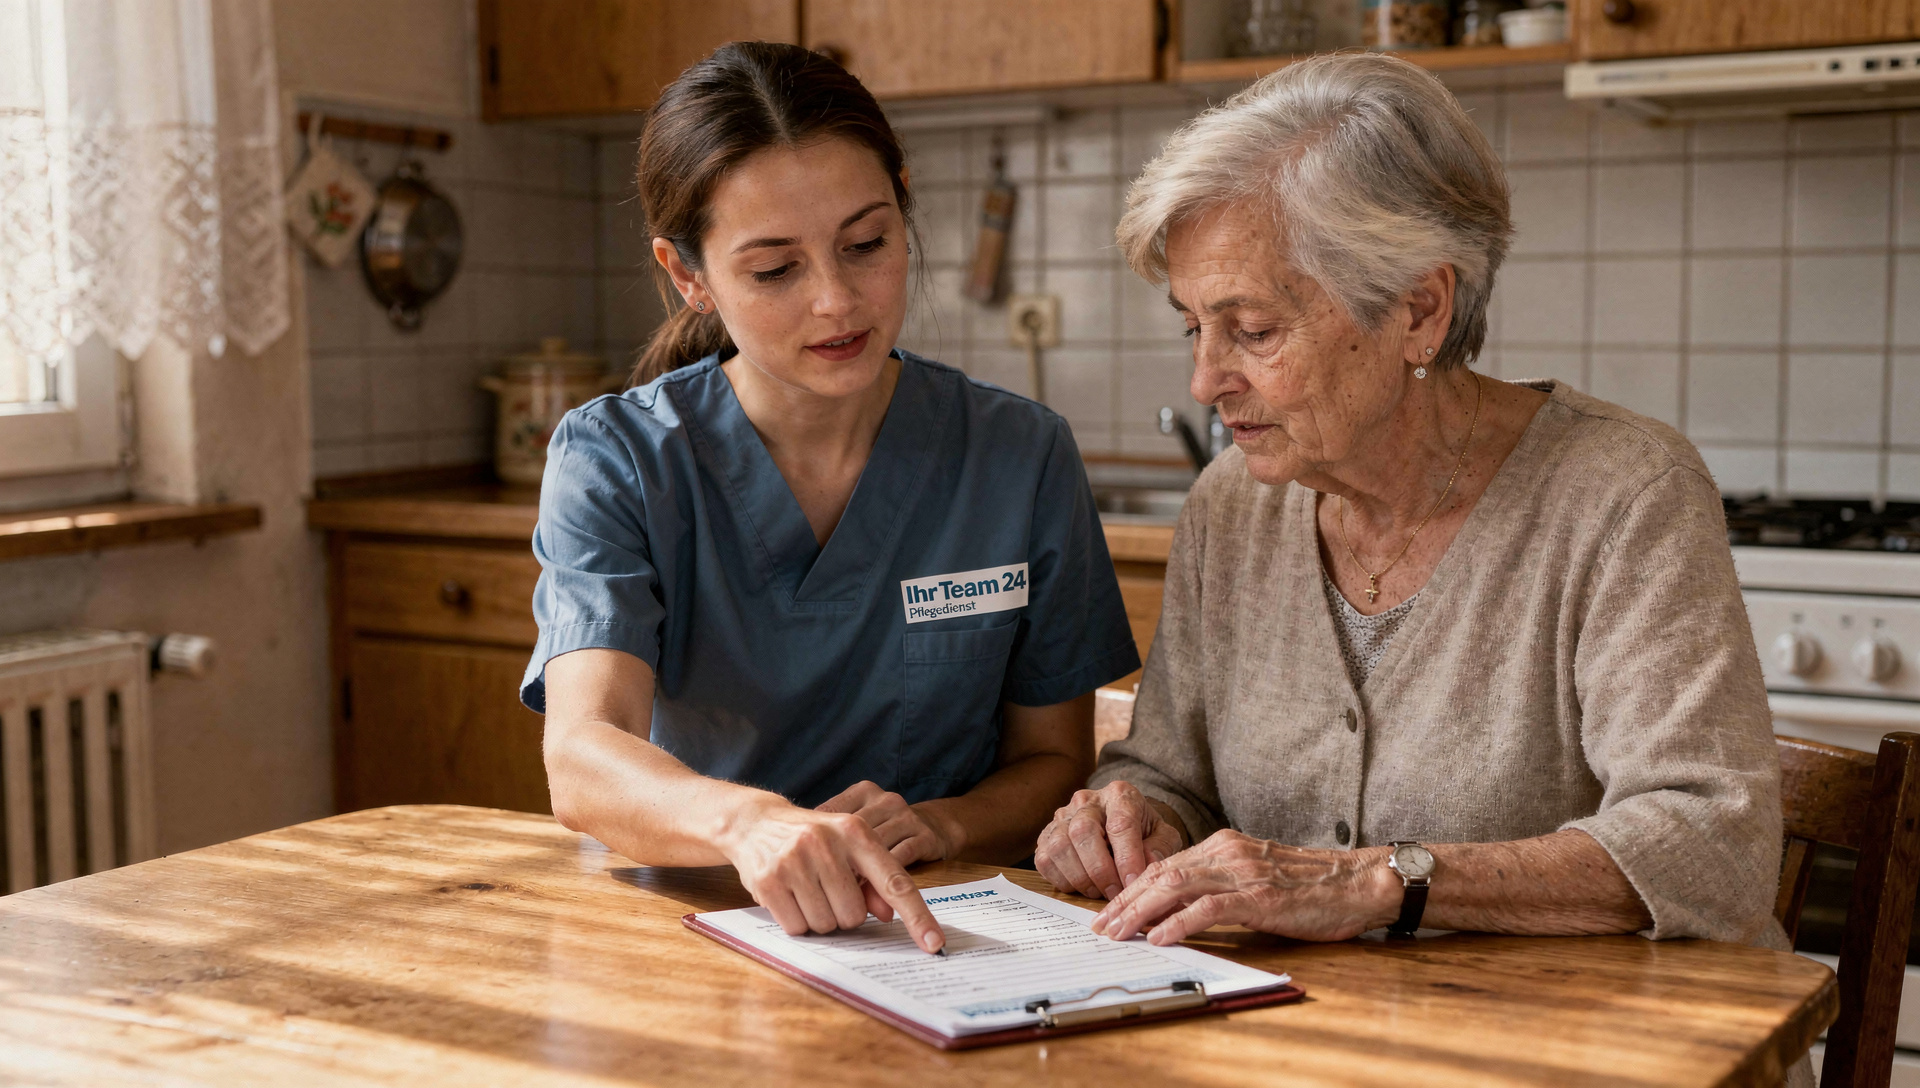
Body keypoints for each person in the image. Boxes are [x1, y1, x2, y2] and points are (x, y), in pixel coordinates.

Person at [1035, 53, 1786, 959]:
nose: (1204, 381)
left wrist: (1372, 884)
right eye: (1195, 327)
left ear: (1420, 311)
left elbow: (1713, 842)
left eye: (1255, 331)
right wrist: (1132, 822)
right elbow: (1169, 775)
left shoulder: (1625, 493)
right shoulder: (1231, 504)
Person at [526, 42, 1140, 954]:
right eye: (776, 270)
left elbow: (1053, 761)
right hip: (700, 929)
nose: (837, 301)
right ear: (688, 275)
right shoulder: (618, 458)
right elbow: (583, 755)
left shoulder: (1019, 455)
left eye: (866, 244)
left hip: (949, 940)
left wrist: (946, 825)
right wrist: (751, 826)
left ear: (903, 206)